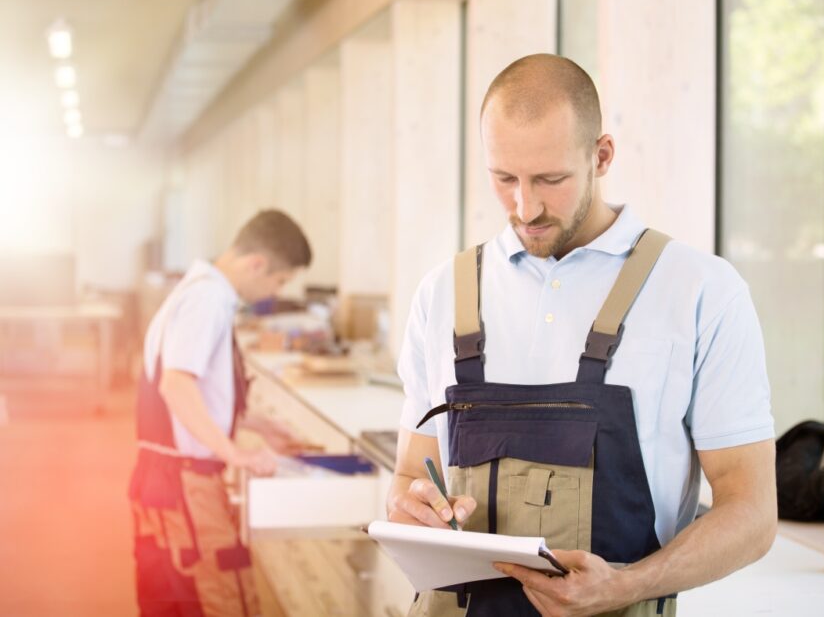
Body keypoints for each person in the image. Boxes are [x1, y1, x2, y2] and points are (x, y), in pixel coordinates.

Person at [387, 54, 777, 616]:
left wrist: (627, 586)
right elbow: (408, 474)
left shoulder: (699, 291)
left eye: (550, 179)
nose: (526, 206)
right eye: (504, 179)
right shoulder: (442, 294)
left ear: (601, 156)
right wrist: (412, 511)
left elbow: (753, 512)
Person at [129, 209, 312, 616]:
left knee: (187, 595)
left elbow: (193, 393)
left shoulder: (198, 290)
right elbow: (175, 385)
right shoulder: (208, 298)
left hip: (174, 479)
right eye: (278, 281)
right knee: (217, 599)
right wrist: (236, 453)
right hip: (184, 485)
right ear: (257, 263)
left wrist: (255, 425)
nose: (272, 292)